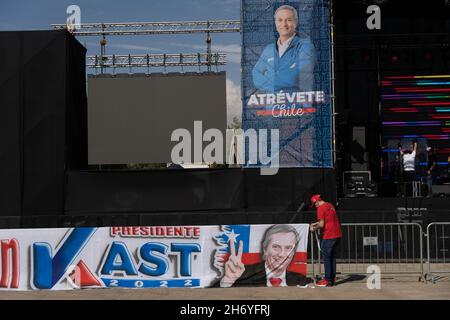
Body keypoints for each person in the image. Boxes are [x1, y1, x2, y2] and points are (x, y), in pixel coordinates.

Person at [216, 224, 311, 287]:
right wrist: (227, 281)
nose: (282, 254)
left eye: (288, 248)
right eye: (276, 247)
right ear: (265, 249)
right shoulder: (243, 274)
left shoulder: (299, 279)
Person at [252, 5, 315, 93]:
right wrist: (282, 79)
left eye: (288, 20)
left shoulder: (305, 46)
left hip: (297, 103)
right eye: (280, 20)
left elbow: (293, 78)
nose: (284, 24)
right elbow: (255, 74)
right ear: (275, 23)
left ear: (295, 22)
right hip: (273, 104)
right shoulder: (269, 49)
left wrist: (268, 78)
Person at [309, 194, 342, 287]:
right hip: (337, 233)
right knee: (332, 257)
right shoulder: (330, 205)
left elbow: (322, 224)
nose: (315, 206)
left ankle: (327, 280)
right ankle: (332, 278)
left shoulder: (320, 208)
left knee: (326, 257)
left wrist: (314, 228)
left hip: (329, 234)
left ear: (316, 201)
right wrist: (316, 223)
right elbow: (329, 220)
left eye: (314, 204)